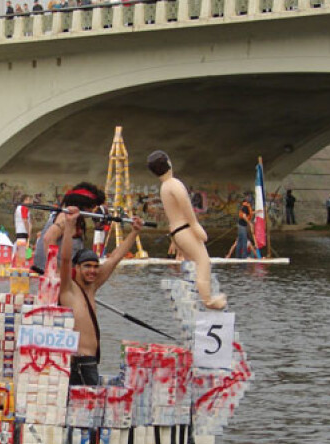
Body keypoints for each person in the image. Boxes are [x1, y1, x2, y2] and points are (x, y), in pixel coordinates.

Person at [59, 207, 142, 385]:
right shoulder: (68, 289)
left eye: (95, 266)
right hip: (77, 363)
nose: (93, 271)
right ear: (77, 269)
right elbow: (65, 259)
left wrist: (134, 232)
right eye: (87, 266)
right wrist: (69, 225)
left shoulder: (92, 287)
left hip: (91, 363)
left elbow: (114, 259)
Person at [147, 150, 226, 309]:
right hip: (185, 229)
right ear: (169, 163)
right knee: (203, 262)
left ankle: (197, 296)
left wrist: (174, 240)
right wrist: (196, 226)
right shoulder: (174, 184)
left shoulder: (164, 187)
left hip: (177, 231)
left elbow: (172, 214)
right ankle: (208, 300)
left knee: (195, 265)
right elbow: (186, 208)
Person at [31, 182, 105, 275]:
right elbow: (48, 239)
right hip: (49, 274)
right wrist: (54, 271)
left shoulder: (75, 219)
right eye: (91, 206)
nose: (92, 210)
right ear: (83, 204)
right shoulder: (64, 217)